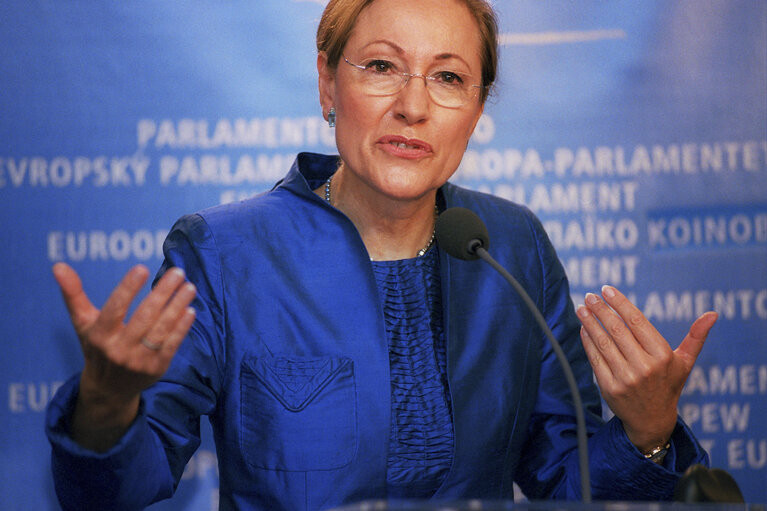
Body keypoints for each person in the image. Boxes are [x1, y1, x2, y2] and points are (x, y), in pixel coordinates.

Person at [46, 0, 719, 509]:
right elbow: (118, 490)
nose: (413, 105)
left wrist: (648, 431)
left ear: (476, 106)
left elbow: (562, 479)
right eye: (380, 67)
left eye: (449, 78)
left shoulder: (511, 246)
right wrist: (105, 404)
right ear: (326, 84)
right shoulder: (225, 254)